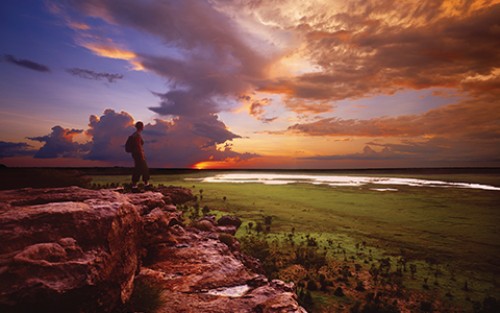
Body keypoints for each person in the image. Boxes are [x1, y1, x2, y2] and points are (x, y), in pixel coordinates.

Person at [129, 121, 150, 190]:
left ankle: (137, 184)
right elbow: (138, 146)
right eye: (142, 126)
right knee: (143, 168)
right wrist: (142, 155)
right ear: (141, 127)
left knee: (140, 168)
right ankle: (144, 184)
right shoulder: (137, 135)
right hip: (138, 154)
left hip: (136, 154)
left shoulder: (135, 134)